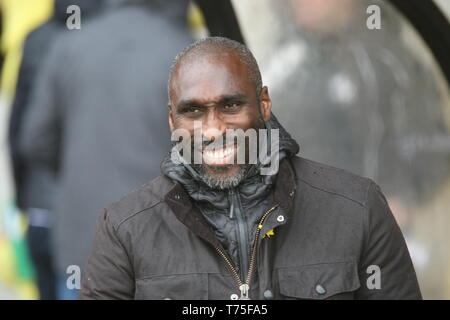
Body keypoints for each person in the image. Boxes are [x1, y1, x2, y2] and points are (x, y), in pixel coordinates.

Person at [80, 37, 422, 300]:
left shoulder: (357, 207)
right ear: (172, 120)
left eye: (230, 105)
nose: (213, 130)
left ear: (264, 103)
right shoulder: (124, 228)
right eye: (193, 111)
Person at [18, 0, 192, 299]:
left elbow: (35, 139)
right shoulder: (189, 54)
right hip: (164, 250)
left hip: (83, 245)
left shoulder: (69, 45)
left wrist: (80, 165)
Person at [8, 0, 104, 300]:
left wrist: (24, 198)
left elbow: (22, 132)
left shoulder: (37, 39)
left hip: (42, 210)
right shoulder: (111, 38)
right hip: (88, 218)